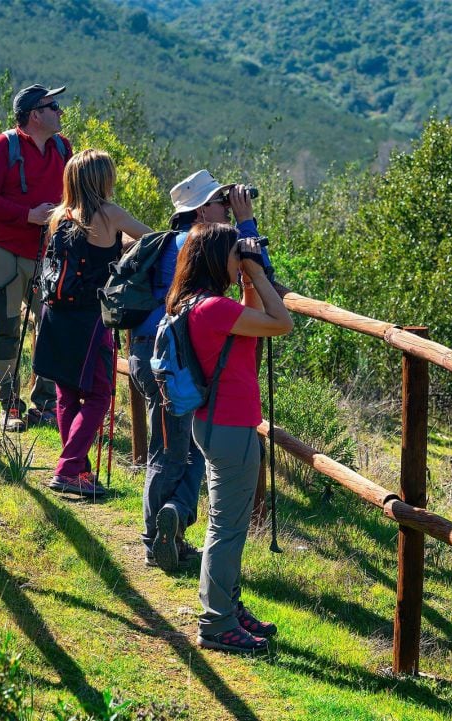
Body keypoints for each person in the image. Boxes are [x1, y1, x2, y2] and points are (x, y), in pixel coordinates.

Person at [129, 171, 267, 572]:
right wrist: (246, 224)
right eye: (220, 200)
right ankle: (157, 537)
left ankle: (171, 521)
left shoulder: (182, 242)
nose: (226, 205)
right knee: (172, 452)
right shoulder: (194, 243)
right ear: (201, 209)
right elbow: (262, 275)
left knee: (184, 450)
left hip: (159, 353)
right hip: (175, 361)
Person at [164, 222, 291, 653]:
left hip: (216, 422)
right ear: (219, 258)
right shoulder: (214, 309)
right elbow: (281, 322)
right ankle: (217, 624)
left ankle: (228, 607)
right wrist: (257, 273)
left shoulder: (194, 304)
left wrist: (247, 279)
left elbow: (252, 322)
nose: (241, 260)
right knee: (227, 529)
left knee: (227, 524)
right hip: (230, 427)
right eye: (235, 254)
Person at [33, 150, 152, 496]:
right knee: (99, 394)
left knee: (66, 395)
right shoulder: (108, 213)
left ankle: (79, 470)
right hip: (90, 320)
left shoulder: (59, 216)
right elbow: (153, 239)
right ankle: (69, 470)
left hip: (54, 315)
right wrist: (123, 245)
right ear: (102, 180)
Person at [0, 83, 70, 432]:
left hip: (47, 250)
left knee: (52, 327)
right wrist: (28, 215)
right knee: (7, 325)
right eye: (53, 105)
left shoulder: (63, 148)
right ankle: (10, 404)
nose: (60, 111)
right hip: (2, 246)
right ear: (35, 115)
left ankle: (45, 404)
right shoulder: (3, 146)